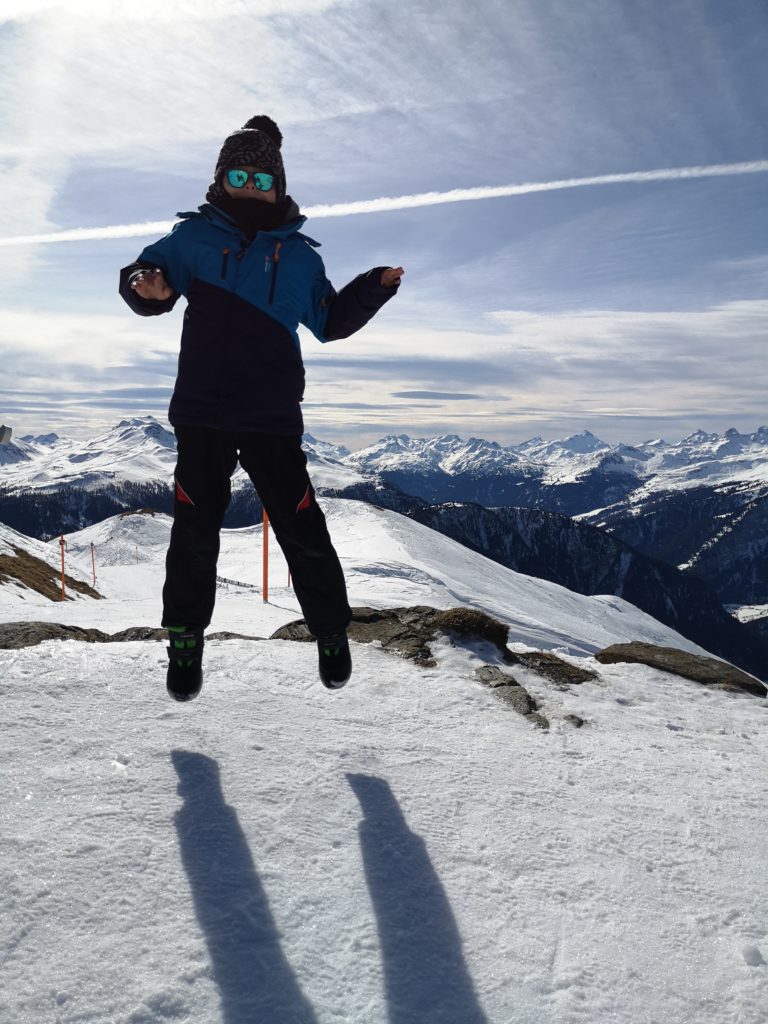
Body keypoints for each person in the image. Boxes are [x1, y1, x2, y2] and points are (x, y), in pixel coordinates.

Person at [119, 115, 404, 702]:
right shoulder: (192, 240)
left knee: (302, 529)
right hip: (202, 413)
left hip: (272, 416)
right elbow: (145, 276)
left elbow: (328, 323)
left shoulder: (299, 258)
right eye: (238, 174)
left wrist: (372, 288)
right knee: (194, 533)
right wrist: (145, 287)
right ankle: (184, 640)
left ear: (278, 184)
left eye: (260, 176)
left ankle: (330, 633)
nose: (250, 186)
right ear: (221, 180)